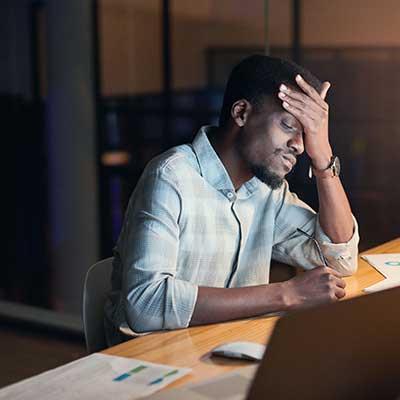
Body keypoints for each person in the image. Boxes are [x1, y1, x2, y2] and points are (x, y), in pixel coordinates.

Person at [104, 55, 359, 345]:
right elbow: (145, 304)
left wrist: (323, 155)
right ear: (241, 113)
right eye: (289, 126)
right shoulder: (171, 176)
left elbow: (339, 258)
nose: (300, 146)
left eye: (307, 134)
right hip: (157, 364)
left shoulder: (267, 191)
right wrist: (286, 294)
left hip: (228, 351)